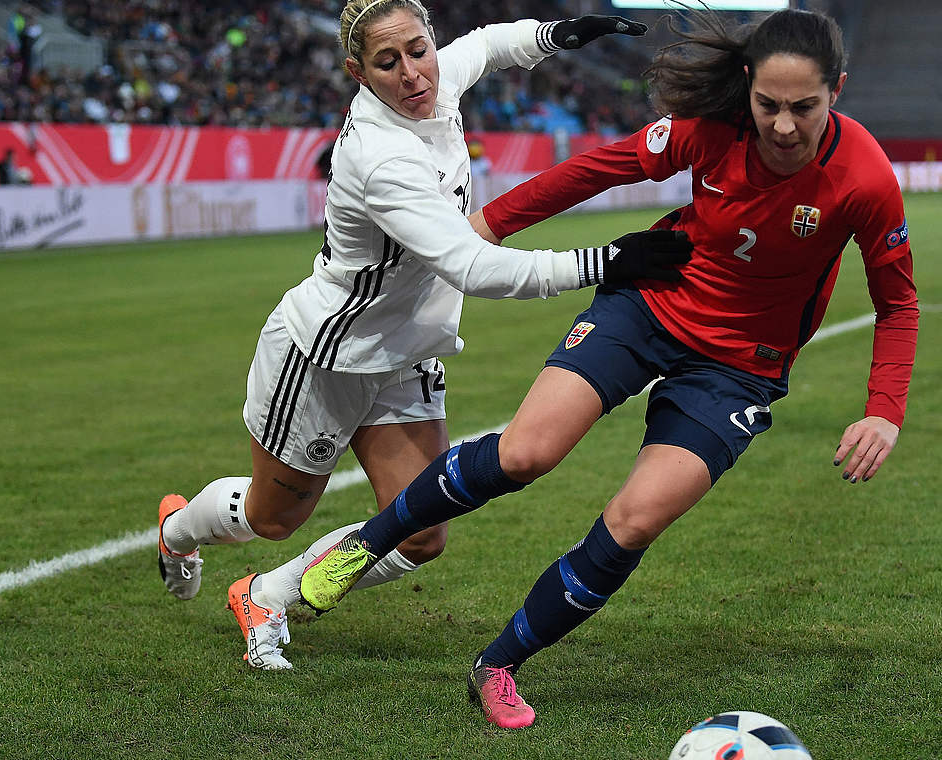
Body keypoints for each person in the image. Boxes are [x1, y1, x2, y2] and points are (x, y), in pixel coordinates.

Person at [299, 6, 920, 729]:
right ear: (747, 86)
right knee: (526, 452)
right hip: (649, 307)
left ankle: (497, 666)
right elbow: (600, 169)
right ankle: (361, 547)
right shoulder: (711, 131)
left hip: (738, 369)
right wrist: (491, 224)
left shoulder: (866, 180)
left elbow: (897, 302)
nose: (783, 127)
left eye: (804, 108)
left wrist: (884, 408)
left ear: (837, 91)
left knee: (634, 520)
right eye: (769, 106)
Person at [154, 0, 689, 671]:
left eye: (418, 49)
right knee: (272, 517)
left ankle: (268, 595)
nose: (413, 72)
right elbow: (472, 265)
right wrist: (604, 261)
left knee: (422, 531)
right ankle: (178, 530)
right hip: (328, 357)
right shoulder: (381, 157)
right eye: (388, 62)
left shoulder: (435, 81)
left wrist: (557, 35)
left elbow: (489, 45)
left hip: (407, 355)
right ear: (359, 71)